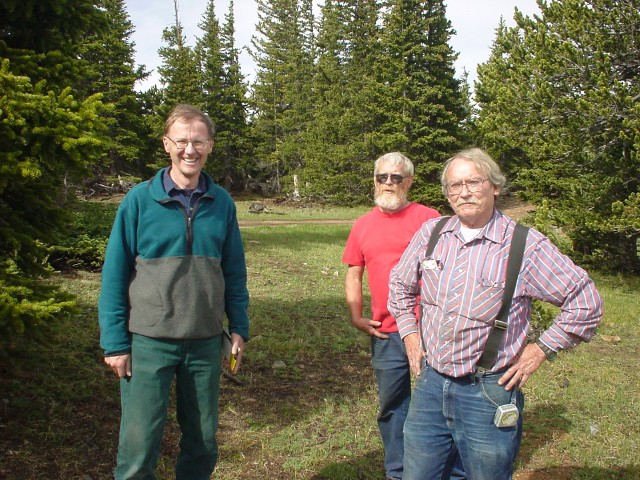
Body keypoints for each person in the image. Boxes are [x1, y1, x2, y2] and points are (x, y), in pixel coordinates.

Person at [388, 148, 603, 480]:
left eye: (474, 181)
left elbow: (585, 301)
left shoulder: (524, 245)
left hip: (487, 391)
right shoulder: (431, 234)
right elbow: (399, 286)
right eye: (454, 185)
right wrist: (410, 334)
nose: (464, 192)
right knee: (418, 474)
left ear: (495, 187)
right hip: (430, 384)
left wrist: (539, 350)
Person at [98, 104, 249, 480]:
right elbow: (114, 275)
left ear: (210, 146)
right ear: (167, 144)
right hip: (148, 342)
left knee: (202, 442)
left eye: (198, 141)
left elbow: (234, 272)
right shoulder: (138, 201)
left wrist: (239, 328)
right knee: (139, 445)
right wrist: (116, 343)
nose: (190, 150)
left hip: (204, 340)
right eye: (182, 141)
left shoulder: (222, 204)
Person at [342, 152, 440, 480]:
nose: (388, 183)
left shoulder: (430, 219)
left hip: (430, 331)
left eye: (396, 178)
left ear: (409, 182)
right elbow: (354, 272)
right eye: (382, 177)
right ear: (374, 180)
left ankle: (447, 470)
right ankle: (397, 472)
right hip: (384, 331)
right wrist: (356, 315)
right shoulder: (362, 225)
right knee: (392, 406)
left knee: (442, 406)